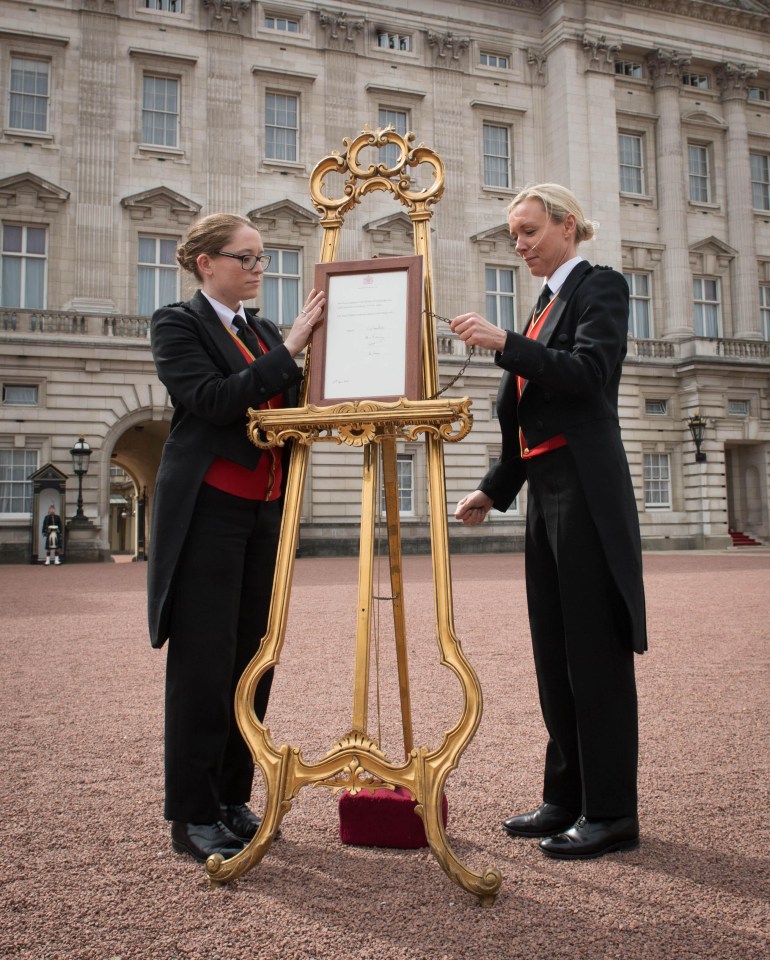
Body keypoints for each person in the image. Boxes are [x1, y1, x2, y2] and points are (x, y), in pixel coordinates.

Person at [450, 183, 646, 860]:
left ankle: (613, 811)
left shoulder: (601, 287)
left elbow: (588, 375)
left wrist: (504, 341)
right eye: (514, 235)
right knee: (554, 653)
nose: (521, 244)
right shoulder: (543, 305)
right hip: (546, 493)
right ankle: (566, 797)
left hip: (587, 492)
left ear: (567, 224)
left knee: (595, 654)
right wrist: (492, 488)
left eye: (529, 230)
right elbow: (532, 421)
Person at [148, 212, 325, 863]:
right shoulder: (177, 324)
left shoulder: (263, 331)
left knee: (256, 656)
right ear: (206, 263)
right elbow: (215, 400)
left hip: (265, 516)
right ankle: (192, 814)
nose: (259, 269)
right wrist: (295, 348)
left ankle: (231, 796)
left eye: (261, 258)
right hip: (208, 516)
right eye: (246, 258)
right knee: (204, 663)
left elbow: (297, 409)